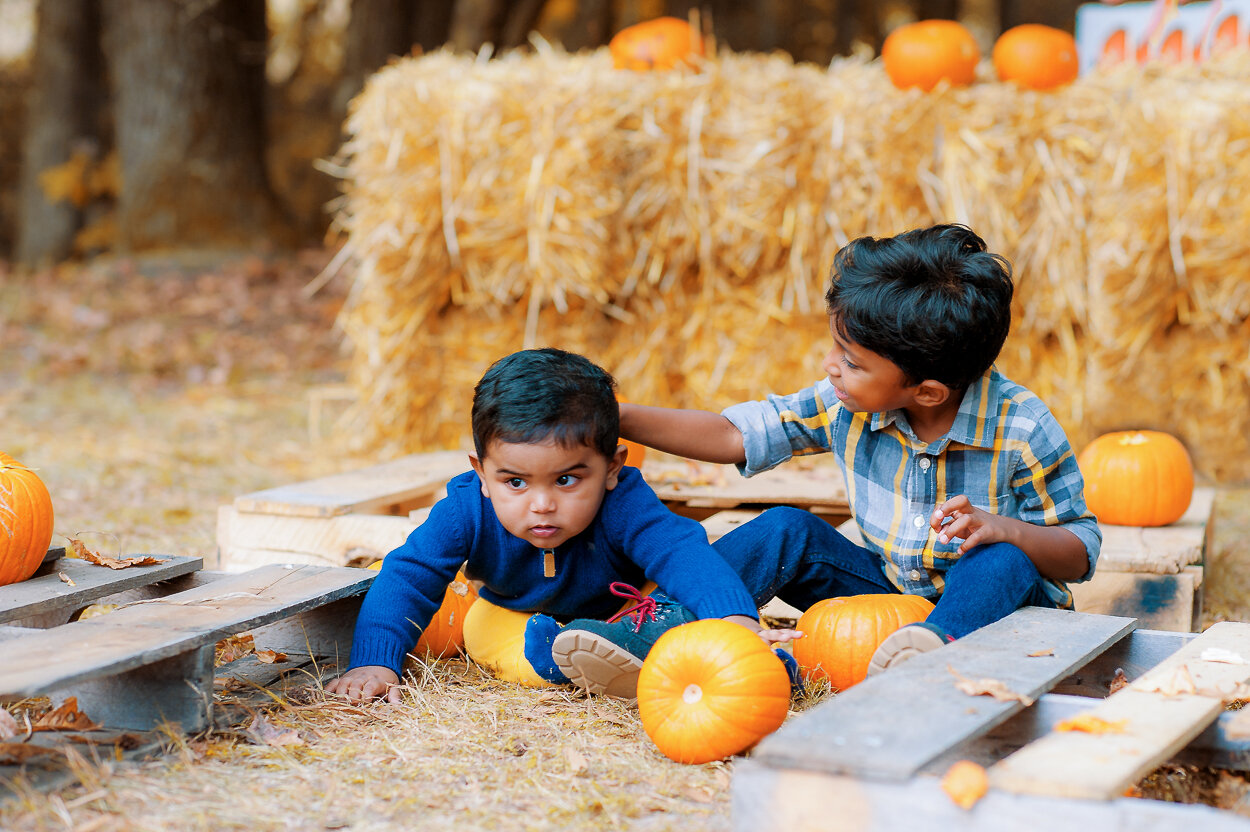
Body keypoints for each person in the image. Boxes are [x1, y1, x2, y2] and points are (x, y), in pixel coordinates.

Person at [618, 223, 1102, 674]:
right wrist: (616, 415)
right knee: (787, 528)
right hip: (891, 605)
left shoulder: (1021, 428)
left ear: (928, 391)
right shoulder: (845, 403)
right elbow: (733, 435)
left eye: (849, 361)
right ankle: (655, 633)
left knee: (1003, 558)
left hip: (1003, 620)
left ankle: (926, 659)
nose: (830, 366)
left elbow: (1079, 552)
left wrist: (1005, 531)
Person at [326, 348, 799, 704]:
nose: (542, 505)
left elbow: (679, 551)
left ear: (612, 467)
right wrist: (374, 661)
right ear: (482, 473)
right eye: (515, 482)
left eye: (567, 479)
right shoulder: (466, 509)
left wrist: (734, 617)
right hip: (515, 619)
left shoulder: (623, 500)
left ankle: (631, 649)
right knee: (494, 635)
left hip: (625, 613)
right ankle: (556, 661)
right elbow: (409, 574)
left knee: (683, 599)